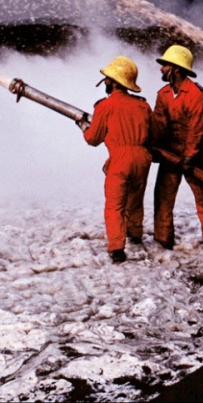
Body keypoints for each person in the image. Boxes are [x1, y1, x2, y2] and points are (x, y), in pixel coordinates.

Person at [151, 45, 203, 257]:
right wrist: (154, 145)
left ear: (176, 68)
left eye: (165, 65)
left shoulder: (195, 94)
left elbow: (197, 127)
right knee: (163, 200)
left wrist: (190, 155)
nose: (161, 69)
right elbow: (159, 124)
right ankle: (163, 243)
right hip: (170, 153)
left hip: (196, 155)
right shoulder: (163, 94)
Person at [83, 56, 153, 264]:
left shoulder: (105, 106)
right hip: (142, 157)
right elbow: (155, 134)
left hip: (120, 158)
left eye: (108, 78)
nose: (105, 81)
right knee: (136, 199)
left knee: (115, 205)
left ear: (114, 82)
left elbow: (93, 139)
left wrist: (84, 127)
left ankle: (117, 249)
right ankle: (135, 235)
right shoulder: (142, 106)